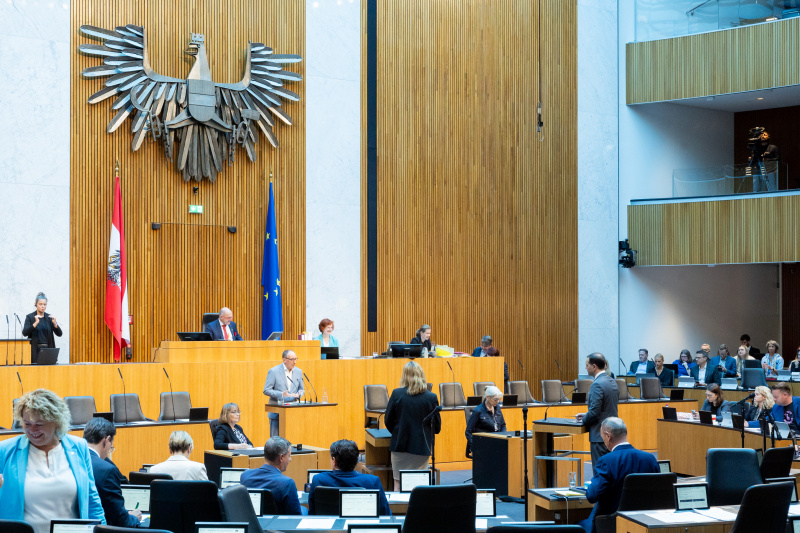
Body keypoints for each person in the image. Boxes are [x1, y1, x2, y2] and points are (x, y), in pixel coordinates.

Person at [0, 389, 105, 533]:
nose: (32, 430)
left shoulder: (79, 447)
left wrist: (101, 529)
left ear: (56, 421)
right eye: (27, 423)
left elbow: (92, 500)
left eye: (39, 424)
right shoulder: (5, 450)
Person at [578, 417, 659, 533]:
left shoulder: (605, 461)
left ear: (608, 436)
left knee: (576, 525)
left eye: (602, 438)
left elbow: (592, 495)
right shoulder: (650, 459)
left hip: (611, 523)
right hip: (643, 523)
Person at [384, 360, 441, 492]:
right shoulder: (431, 397)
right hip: (422, 446)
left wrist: (398, 432)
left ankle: (399, 511)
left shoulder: (397, 394)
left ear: (404, 376)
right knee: (420, 485)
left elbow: (388, 420)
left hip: (400, 446)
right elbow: (437, 427)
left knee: (398, 483)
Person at [83, 417, 142, 527]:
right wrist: (134, 518)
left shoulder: (73, 460)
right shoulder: (107, 470)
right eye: (111, 447)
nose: (109, 451)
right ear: (106, 440)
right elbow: (121, 521)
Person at [308, 439, 391, 516]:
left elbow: (312, 512)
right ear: (356, 460)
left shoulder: (319, 479)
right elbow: (385, 514)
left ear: (334, 461)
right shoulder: (372, 481)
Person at [240, 436, 306, 515]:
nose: (290, 459)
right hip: (279, 526)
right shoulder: (287, 483)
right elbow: (295, 516)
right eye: (289, 456)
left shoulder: (245, 476)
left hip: (253, 525)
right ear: (281, 458)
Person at [576, 353, 619, 466]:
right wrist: (586, 414)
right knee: (611, 471)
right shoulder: (611, 381)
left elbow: (594, 413)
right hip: (613, 434)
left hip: (599, 437)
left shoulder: (597, 384)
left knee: (600, 473)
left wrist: (584, 420)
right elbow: (606, 408)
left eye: (586, 365)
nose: (585, 368)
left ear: (594, 366)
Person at [263, 350, 305, 436]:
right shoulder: (273, 371)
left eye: (296, 359)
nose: (295, 362)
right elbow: (266, 390)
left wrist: (299, 394)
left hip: (293, 412)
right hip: (277, 412)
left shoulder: (298, 371)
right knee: (275, 443)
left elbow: (302, 389)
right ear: (284, 360)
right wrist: (281, 394)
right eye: (292, 359)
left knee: (292, 440)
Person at [21, 292, 63, 365]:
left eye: (44, 304)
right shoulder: (30, 317)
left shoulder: (49, 317)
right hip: (34, 350)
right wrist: (35, 323)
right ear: (36, 304)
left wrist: (55, 324)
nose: (43, 306)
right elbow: (24, 333)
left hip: (48, 349)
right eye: (40, 304)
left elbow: (59, 334)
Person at [465, 386, 506, 458]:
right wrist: (474, 447)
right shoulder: (478, 411)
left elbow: (503, 425)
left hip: (497, 442)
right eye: (495, 399)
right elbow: (468, 431)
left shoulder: (497, 407)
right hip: (483, 444)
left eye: (499, 399)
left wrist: (504, 438)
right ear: (487, 397)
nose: (498, 401)